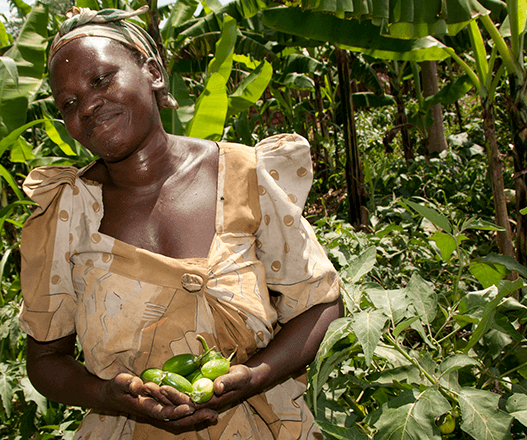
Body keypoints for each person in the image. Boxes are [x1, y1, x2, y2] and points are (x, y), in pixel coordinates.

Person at [18, 6, 343, 439]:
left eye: (101, 80)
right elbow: (44, 361)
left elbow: (320, 303)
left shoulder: (242, 175)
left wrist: (257, 375)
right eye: (69, 103)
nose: (89, 104)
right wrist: (107, 396)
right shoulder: (65, 212)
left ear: (152, 72)